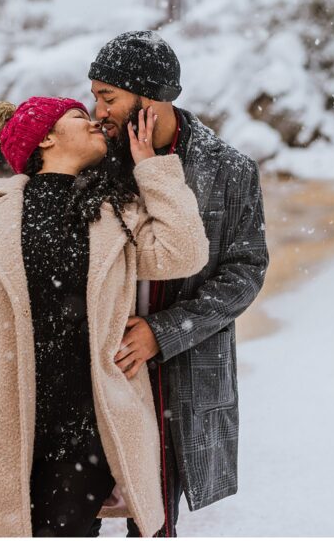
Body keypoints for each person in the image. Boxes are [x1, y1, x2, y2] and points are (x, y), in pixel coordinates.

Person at [0, 97, 210, 537]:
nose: (95, 119)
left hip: (88, 423)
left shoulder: (116, 209)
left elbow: (184, 252)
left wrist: (151, 167)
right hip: (5, 417)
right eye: (79, 116)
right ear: (46, 138)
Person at [86, 29, 270, 536]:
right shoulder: (95, 157)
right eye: (95, 96)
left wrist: (162, 333)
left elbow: (246, 271)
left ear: (151, 97)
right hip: (98, 365)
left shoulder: (229, 169)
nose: (97, 110)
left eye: (108, 97)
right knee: (76, 509)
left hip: (179, 369)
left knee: (155, 519)